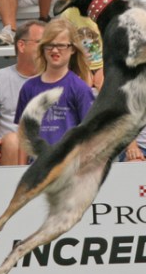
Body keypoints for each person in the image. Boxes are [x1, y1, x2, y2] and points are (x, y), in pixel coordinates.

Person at [10, 17, 94, 164]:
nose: (55, 50)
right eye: (50, 45)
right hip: (36, 170)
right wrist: (21, 171)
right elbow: (24, 137)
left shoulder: (80, 89)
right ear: (43, 47)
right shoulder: (29, 88)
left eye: (61, 45)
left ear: (72, 48)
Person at [0, 20, 45, 165]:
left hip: (44, 147)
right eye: (41, 43)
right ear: (21, 45)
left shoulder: (57, 79)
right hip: (8, 149)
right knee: (13, 140)